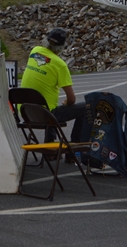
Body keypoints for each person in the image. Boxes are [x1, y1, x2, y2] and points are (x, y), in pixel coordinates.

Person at [20, 28, 85, 162]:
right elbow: (71, 99)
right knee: (85, 108)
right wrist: (67, 102)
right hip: (46, 115)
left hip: (26, 112)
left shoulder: (35, 51)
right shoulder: (60, 65)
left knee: (48, 106)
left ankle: (50, 149)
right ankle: (73, 151)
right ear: (62, 46)